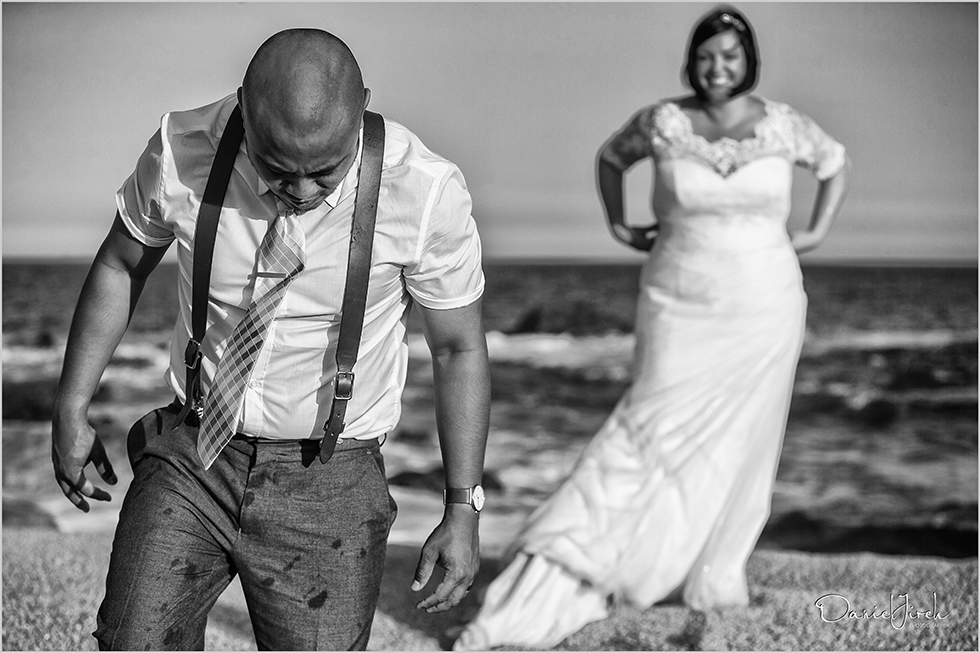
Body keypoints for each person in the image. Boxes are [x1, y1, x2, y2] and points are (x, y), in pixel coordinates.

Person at [51, 28, 490, 651]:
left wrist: (462, 507)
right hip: (192, 452)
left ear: (362, 106)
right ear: (244, 111)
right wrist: (70, 409)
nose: (303, 191)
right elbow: (121, 265)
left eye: (325, 171)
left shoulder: (423, 192)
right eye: (280, 168)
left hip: (330, 480)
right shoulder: (183, 150)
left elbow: (459, 349)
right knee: (130, 640)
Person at [453, 6, 850, 650]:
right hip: (678, 296)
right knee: (648, 425)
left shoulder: (783, 124)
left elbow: (835, 163)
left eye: (731, 55)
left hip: (766, 300)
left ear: (749, 60)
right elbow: (611, 159)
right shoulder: (662, 122)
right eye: (706, 55)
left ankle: (714, 569)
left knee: (745, 438)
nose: (718, 68)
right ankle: (566, 565)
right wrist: (619, 223)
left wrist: (816, 232)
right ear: (690, 60)